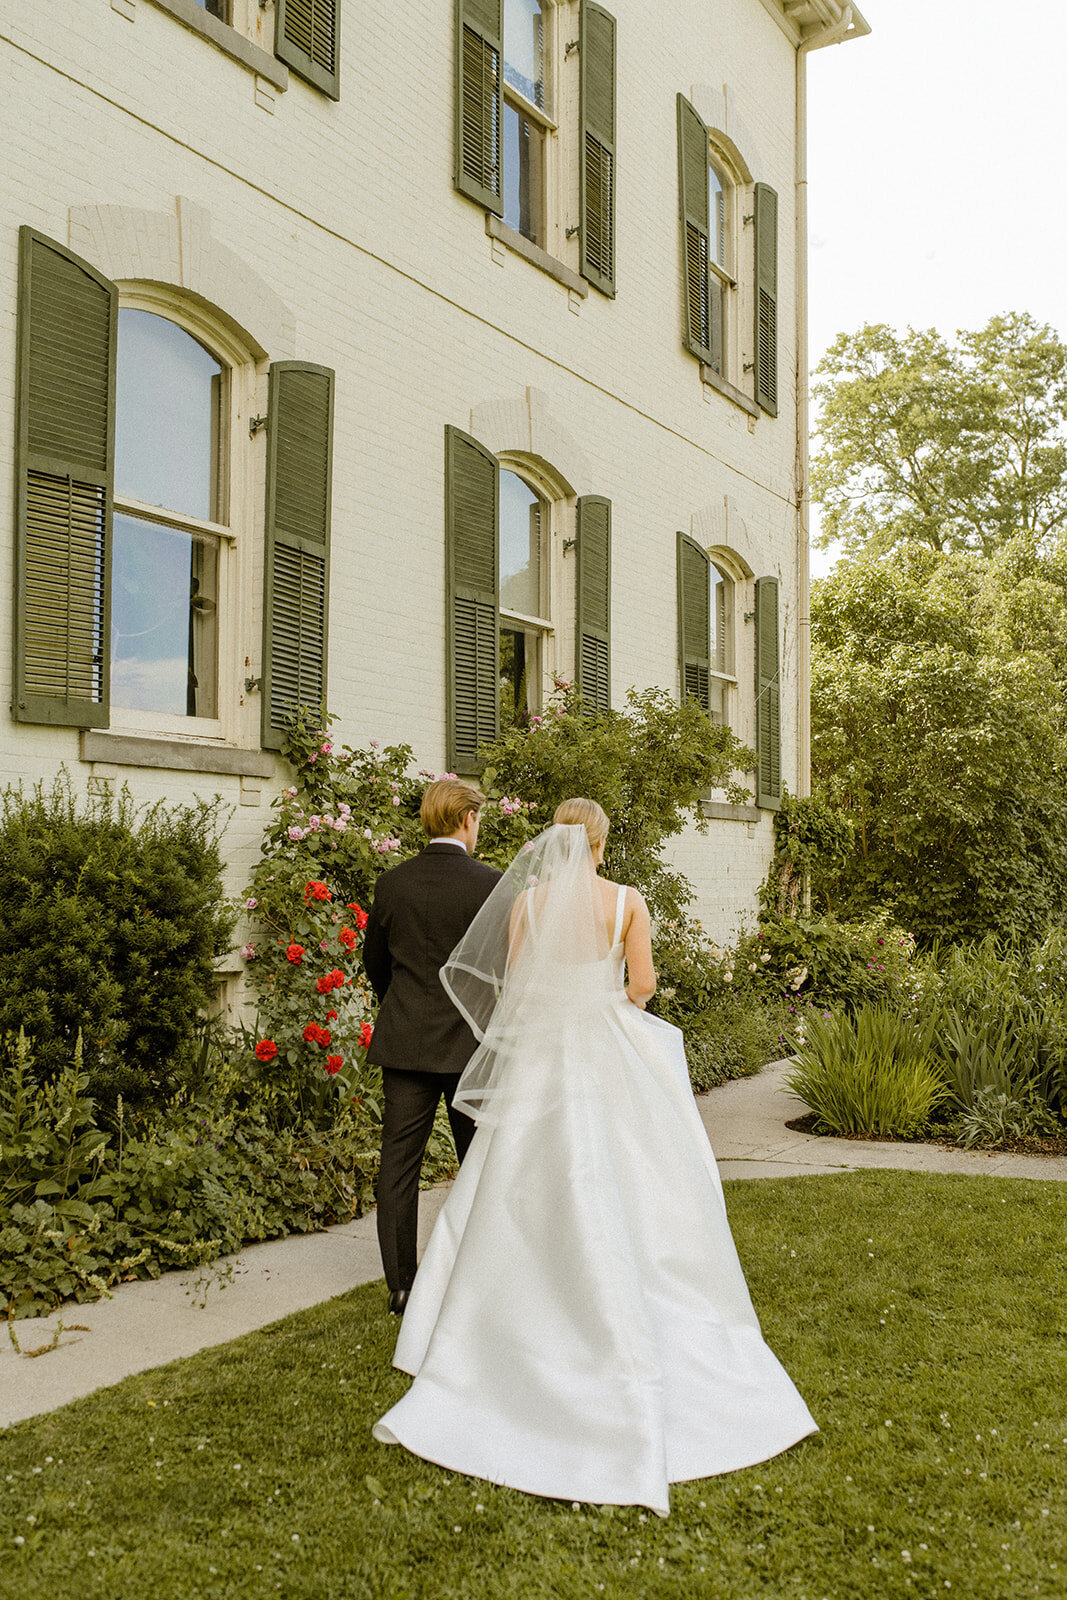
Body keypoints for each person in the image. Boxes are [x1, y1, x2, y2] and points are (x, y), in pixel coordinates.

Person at [372, 798, 817, 1517]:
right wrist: (606, 1003)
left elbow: (514, 992)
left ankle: (502, 1314)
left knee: (515, 1178)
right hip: (603, 1047)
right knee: (633, 1172)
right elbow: (640, 987)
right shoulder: (626, 902)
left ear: (553, 840)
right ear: (601, 845)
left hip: (543, 1056)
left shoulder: (524, 905)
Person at [362, 778, 501, 1316]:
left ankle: (402, 1285)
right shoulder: (488, 884)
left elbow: (378, 964)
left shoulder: (391, 883)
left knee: (398, 1164)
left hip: (404, 1044)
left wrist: (402, 1010)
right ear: (466, 820)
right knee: (479, 1162)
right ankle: (474, 1269)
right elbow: (497, 969)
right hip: (468, 1044)